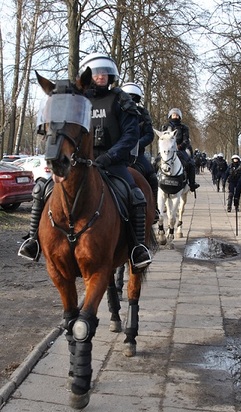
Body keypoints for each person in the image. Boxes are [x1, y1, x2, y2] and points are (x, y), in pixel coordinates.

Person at [19, 54, 152, 273]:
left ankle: (137, 247)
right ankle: (33, 240)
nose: (100, 76)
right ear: (89, 76)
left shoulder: (120, 100)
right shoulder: (78, 100)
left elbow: (131, 134)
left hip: (112, 162)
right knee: (41, 188)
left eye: (104, 72)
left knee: (135, 194)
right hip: (78, 162)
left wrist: (110, 156)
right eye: (96, 72)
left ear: (111, 76)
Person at [114, 81, 158, 299]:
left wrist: (137, 143)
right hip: (118, 152)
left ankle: (153, 208)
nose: (132, 100)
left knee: (151, 175)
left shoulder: (142, 114)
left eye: (135, 98)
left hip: (137, 152)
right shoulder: (117, 108)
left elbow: (149, 134)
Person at [161, 108, 199, 192]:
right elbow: (162, 138)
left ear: (180, 116)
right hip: (167, 150)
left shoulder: (184, 127)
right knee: (155, 162)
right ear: (170, 116)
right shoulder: (165, 126)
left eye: (177, 115)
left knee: (191, 163)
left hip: (180, 150)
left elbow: (186, 140)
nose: (175, 116)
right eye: (174, 115)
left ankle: (192, 183)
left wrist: (179, 146)